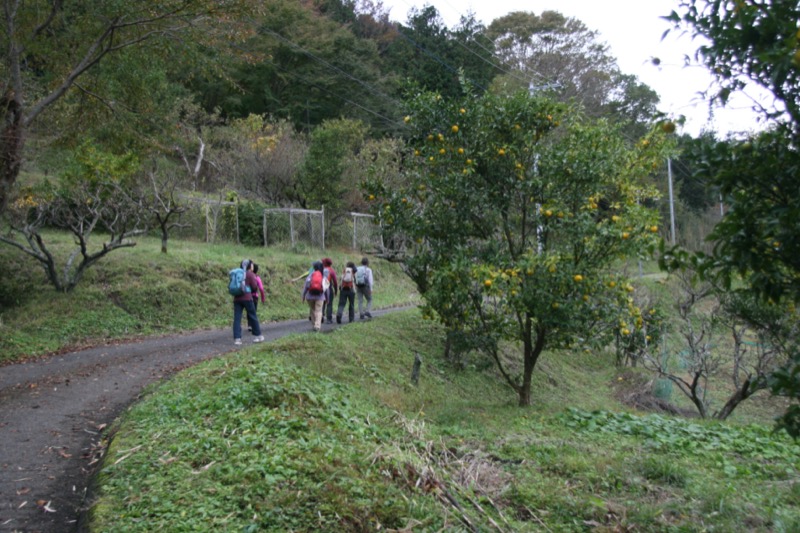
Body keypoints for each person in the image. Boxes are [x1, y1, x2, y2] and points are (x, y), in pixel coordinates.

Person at [233, 259, 263, 345]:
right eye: (252, 265)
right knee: (252, 316)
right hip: (247, 298)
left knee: (237, 318)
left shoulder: (237, 273)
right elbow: (254, 287)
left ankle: (237, 339)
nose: (253, 266)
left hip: (237, 299)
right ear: (250, 266)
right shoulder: (250, 274)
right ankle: (258, 335)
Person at [301, 260, 326, 332]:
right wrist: (327, 297)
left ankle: (314, 324)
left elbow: (306, 286)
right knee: (318, 311)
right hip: (320, 297)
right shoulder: (323, 276)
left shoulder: (310, 275)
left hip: (310, 296)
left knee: (312, 311)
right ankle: (317, 326)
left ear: (314, 267)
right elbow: (326, 288)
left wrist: (303, 296)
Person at [321, 257, 338, 324]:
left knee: (322, 303)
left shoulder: (321, 269)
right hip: (328, 288)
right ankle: (329, 319)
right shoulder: (331, 270)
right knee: (329, 303)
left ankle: (320, 317)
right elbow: (335, 282)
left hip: (321, 288)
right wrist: (336, 290)